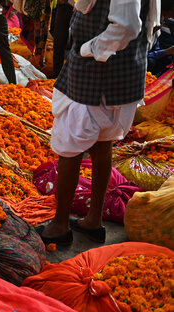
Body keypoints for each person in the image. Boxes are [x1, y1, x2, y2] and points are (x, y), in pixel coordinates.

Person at [37, 0, 174, 244]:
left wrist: (89, 48)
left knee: (70, 147)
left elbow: (128, 26)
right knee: (102, 142)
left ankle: (59, 226)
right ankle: (94, 220)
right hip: (116, 76)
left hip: (98, 74)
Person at [50, 0, 74, 77]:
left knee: (76, 47)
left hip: (77, 8)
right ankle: (57, 78)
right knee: (58, 45)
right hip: (62, 6)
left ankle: (72, 78)